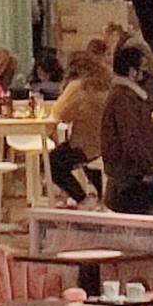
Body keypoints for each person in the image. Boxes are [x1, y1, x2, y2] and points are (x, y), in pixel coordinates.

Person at [100, 45, 153, 214]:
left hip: (127, 174)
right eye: (142, 69)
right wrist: (146, 166)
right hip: (129, 176)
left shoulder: (123, 94)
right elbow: (131, 138)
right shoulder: (124, 98)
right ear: (132, 71)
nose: (145, 74)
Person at [49, 52, 112, 203]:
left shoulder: (77, 87)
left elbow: (60, 114)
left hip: (85, 146)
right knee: (91, 160)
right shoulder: (108, 85)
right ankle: (100, 196)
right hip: (108, 145)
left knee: (53, 162)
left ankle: (81, 198)